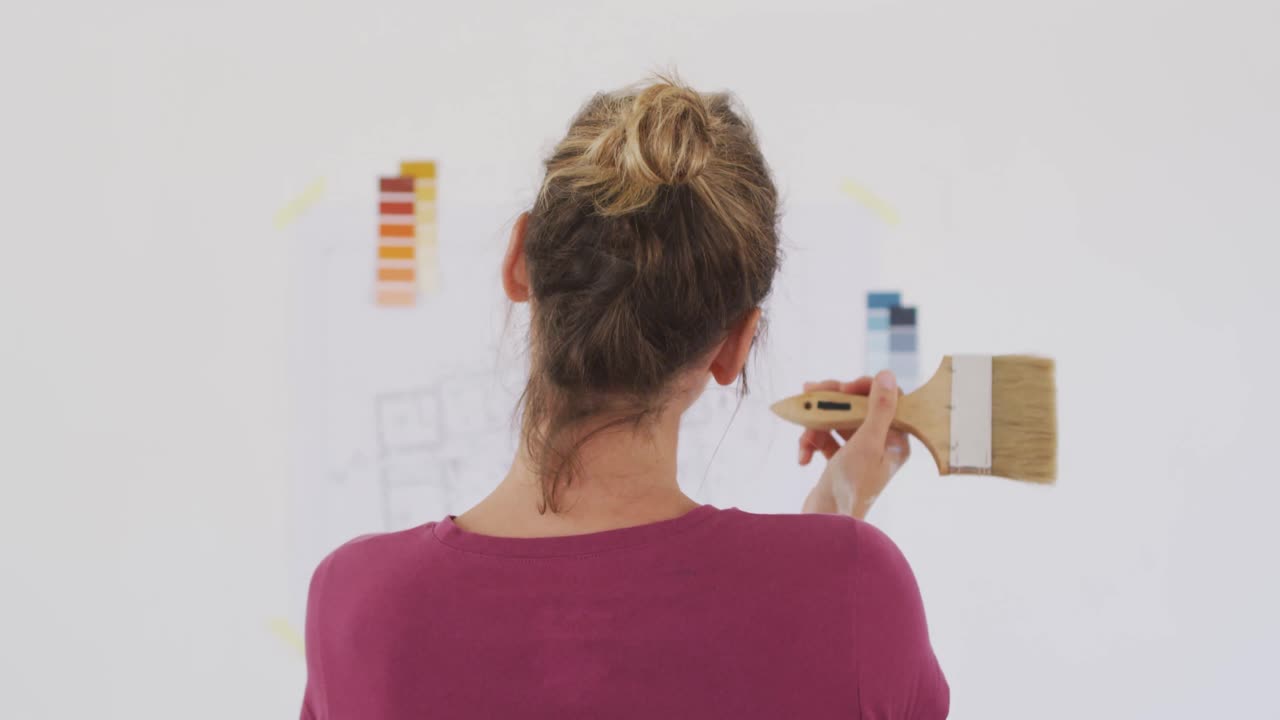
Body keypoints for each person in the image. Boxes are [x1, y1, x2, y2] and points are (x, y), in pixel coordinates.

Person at [300, 76, 948, 719]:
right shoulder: (855, 591)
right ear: (734, 347)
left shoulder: (358, 603)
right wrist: (835, 529)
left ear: (519, 259)